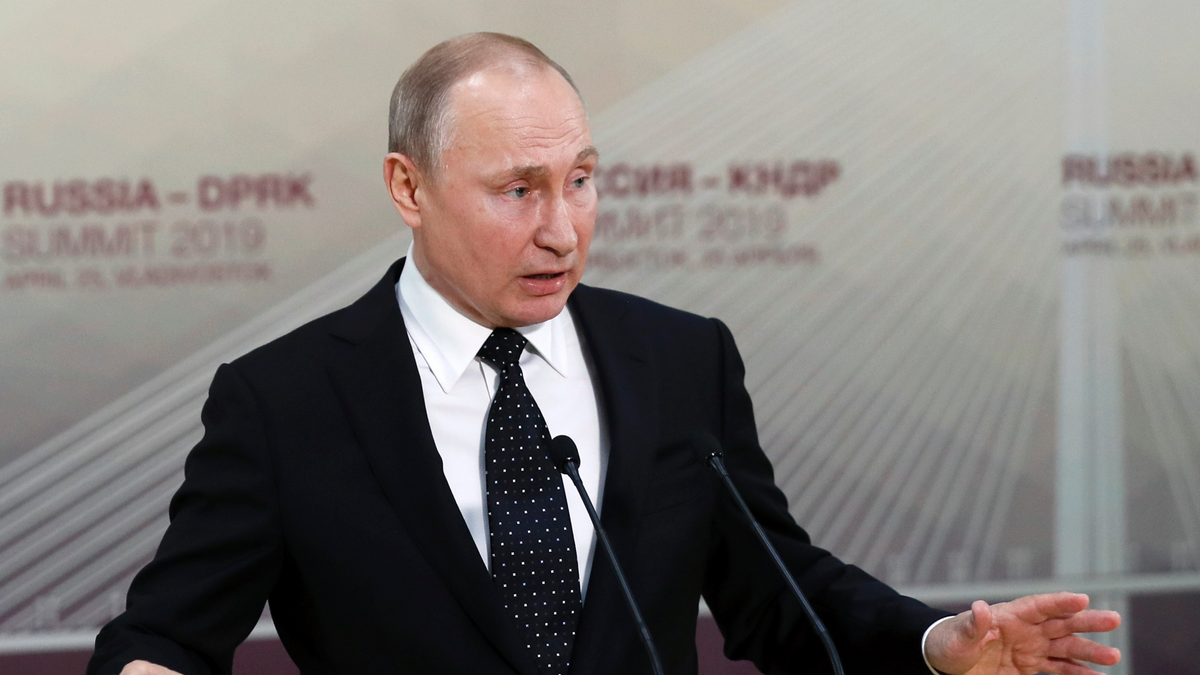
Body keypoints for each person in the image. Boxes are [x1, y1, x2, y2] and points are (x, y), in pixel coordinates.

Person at [88, 32, 1122, 675]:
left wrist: (934, 648)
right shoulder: (286, 401)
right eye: (518, 189)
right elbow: (167, 637)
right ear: (409, 189)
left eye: (581, 178)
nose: (564, 229)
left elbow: (779, 592)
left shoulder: (680, 361)